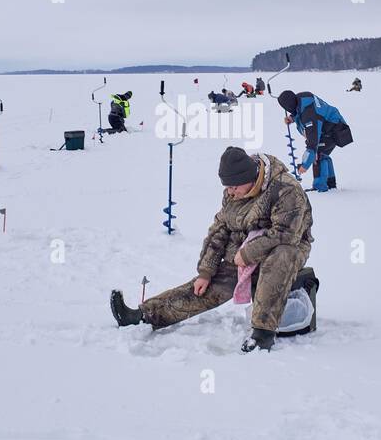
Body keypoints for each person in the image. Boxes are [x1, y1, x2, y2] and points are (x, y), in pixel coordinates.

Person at [109, 146, 315, 353]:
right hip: (243, 253)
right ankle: (143, 316)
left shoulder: (285, 189)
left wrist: (247, 254)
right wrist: (206, 272)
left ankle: (263, 333)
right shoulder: (232, 193)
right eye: (227, 187)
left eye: (234, 186)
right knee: (207, 286)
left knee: (279, 257)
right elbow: (220, 229)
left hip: (288, 248)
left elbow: (285, 234)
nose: (230, 192)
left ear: (251, 177)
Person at [276, 90, 352, 193]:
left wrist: (304, 165)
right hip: (332, 124)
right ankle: (330, 184)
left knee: (317, 155)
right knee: (322, 154)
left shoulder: (310, 117)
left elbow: (312, 143)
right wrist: (292, 117)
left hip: (335, 129)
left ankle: (320, 187)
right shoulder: (301, 99)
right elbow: (300, 110)